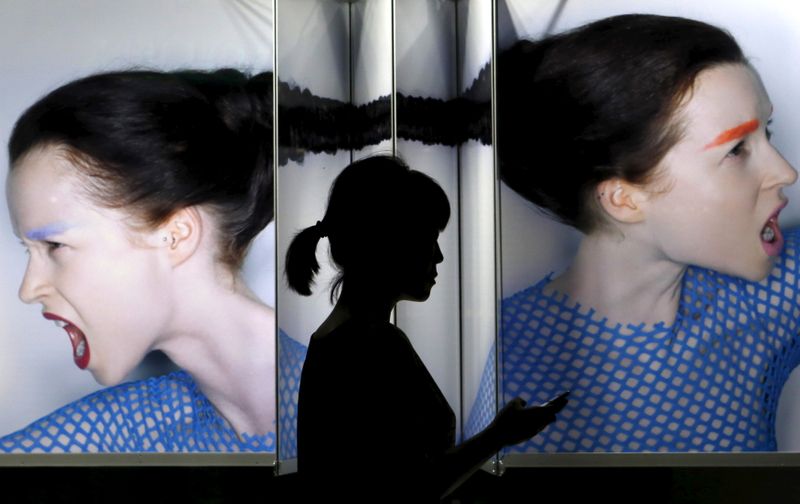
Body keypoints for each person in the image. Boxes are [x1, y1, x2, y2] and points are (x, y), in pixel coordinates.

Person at [497, 14, 800, 452]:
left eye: (766, 134)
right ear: (624, 199)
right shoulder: (503, 353)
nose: (785, 172)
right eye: (737, 150)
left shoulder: (773, 298)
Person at [2, 69, 277, 452]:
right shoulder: (122, 430)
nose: (29, 290)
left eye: (55, 246)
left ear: (175, 236)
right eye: (28, 251)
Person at [286, 155, 568, 501]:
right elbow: (411, 485)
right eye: (427, 238)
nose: (438, 256)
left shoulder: (338, 337)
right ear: (388, 243)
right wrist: (500, 435)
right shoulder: (369, 344)